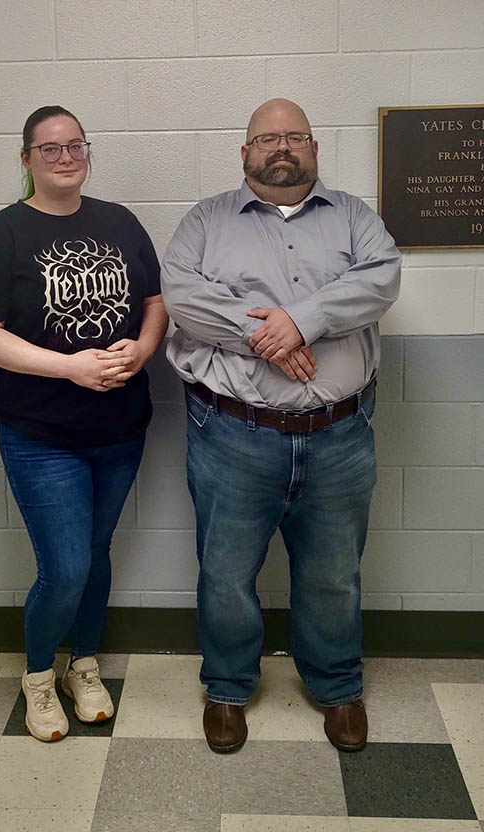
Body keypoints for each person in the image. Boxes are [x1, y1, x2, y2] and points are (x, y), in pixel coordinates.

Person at [161, 98, 401, 754]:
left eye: (295, 136)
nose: (282, 147)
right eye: (267, 138)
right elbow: (182, 296)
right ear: (245, 153)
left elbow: (381, 280)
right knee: (227, 571)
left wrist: (306, 319)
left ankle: (337, 686)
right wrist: (268, 334)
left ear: (315, 148)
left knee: (333, 573)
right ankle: (228, 689)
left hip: (341, 437)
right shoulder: (206, 221)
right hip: (233, 434)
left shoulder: (354, 217)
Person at [0, 105, 168, 742]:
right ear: (26, 161)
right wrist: (68, 367)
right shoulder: (2, 234)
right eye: (49, 149)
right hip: (40, 436)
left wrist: (144, 348)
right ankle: (40, 675)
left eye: (75, 145)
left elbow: (155, 305)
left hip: (120, 429)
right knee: (65, 567)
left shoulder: (121, 222)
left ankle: (85, 663)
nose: (65, 156)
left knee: (97, 555)